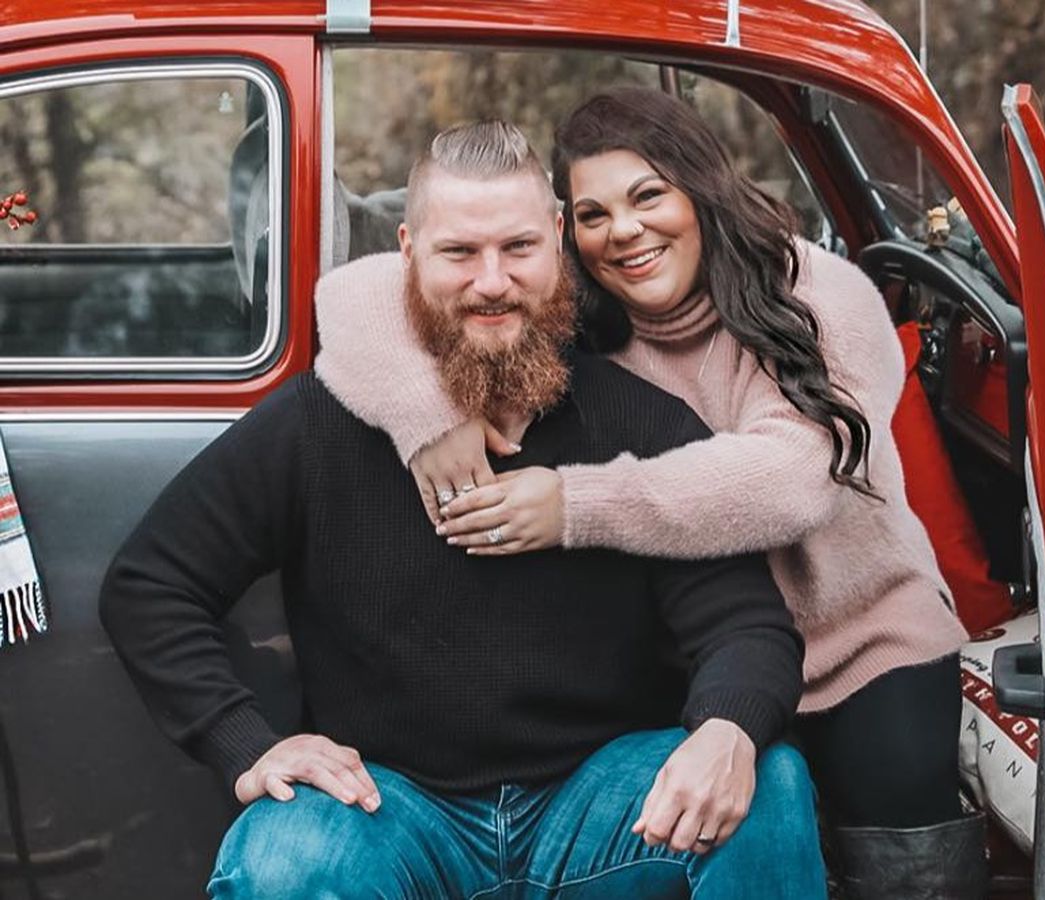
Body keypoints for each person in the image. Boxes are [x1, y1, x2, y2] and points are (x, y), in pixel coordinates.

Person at [99, 120, 827, 899]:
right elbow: (150, 585)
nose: (492, 282)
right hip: (389, 809)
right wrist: (246, 744)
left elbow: (746, 625)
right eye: (459, 253)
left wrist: (729, 728)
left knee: (767, 784)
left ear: (557, 240)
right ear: (408, 252)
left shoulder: (643, 421)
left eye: (518, 248)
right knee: (281, 859)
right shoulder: (317, 426)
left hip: (600, 804)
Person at [314, 88, 986, 898]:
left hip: (858, 638)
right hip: (701, 657)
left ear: (700, 190)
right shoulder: (575, 306)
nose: (625, 231)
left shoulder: (820, 295)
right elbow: (352, 295)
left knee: (903, 847)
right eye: (593, 215)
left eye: (647, 197)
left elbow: (794, 479)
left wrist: (574, 504)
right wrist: (427, 415)